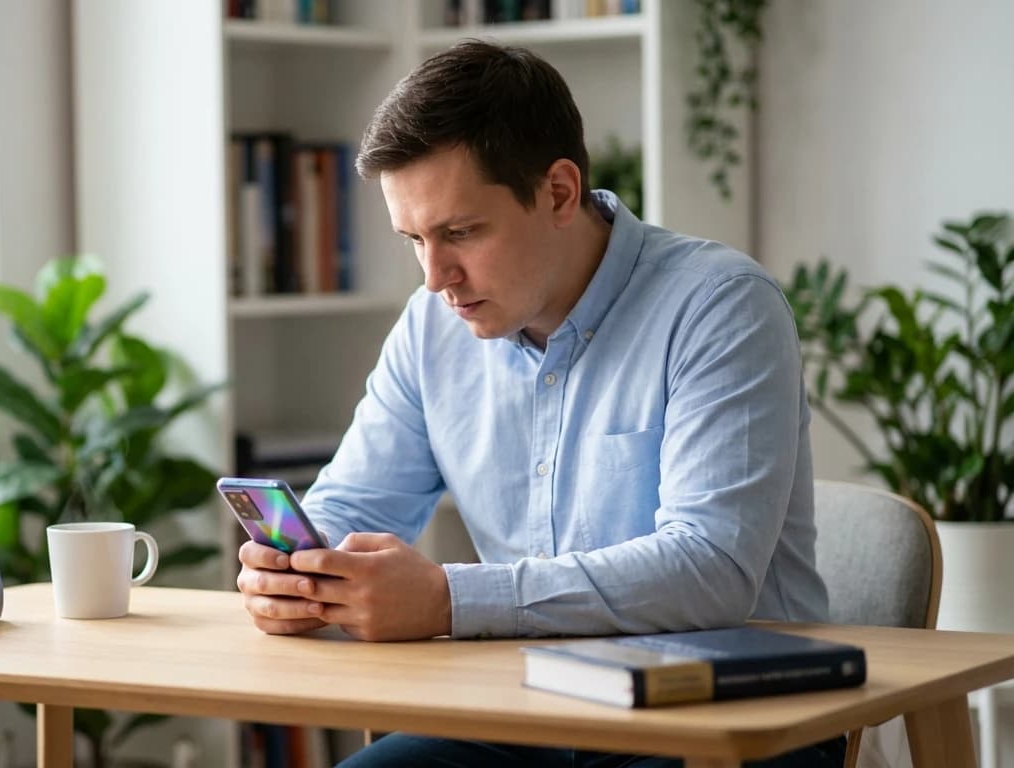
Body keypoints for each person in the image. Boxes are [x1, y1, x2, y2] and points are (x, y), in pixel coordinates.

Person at [236, 40, 841, 767]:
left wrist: (446, 601)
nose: (435, 277)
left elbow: (710, 570)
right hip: (524, 706)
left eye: (460, 233)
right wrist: (301, 575)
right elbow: (354, 504)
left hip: (727, 712)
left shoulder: (721, 307)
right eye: (414, 240)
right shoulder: (432, 328)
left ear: (558, 192)